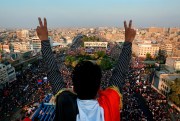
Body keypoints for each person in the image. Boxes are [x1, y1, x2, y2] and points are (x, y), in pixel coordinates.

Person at [36, 17, 136, 121]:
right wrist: (128, 42)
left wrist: (44, 40)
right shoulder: (109, 104)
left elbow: (53, 73)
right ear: (99, 89)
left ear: (73, 89)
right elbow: (119, 74)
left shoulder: (65, 104)